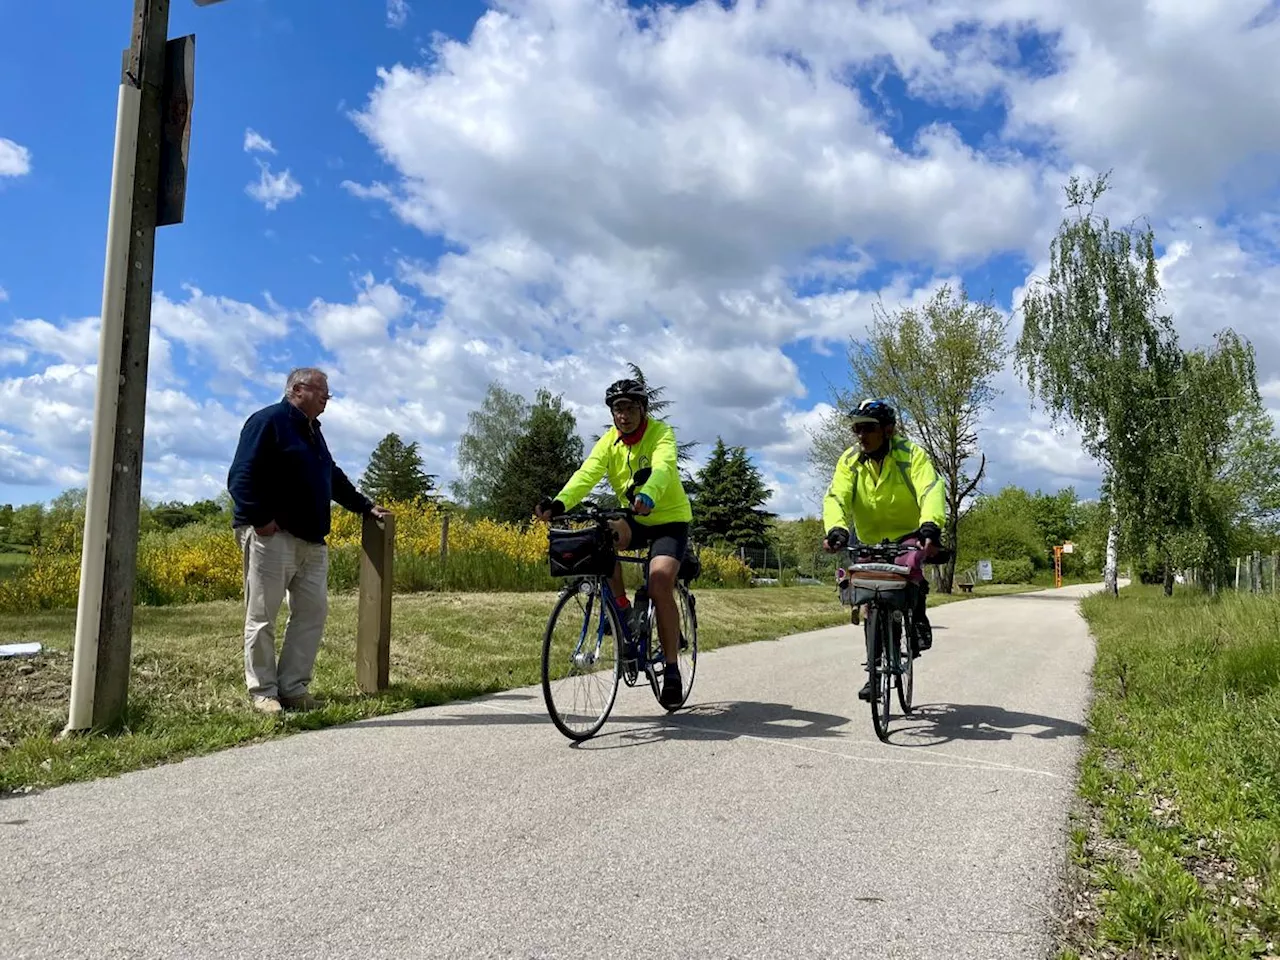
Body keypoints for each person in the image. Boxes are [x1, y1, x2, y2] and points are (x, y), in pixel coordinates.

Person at [227, 367, 390, 714]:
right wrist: (261, 520)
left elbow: (330, 475)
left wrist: (363, 505)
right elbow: (240, 476)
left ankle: (293, 687)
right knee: (262, 615)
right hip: (272, 537)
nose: (326, 398)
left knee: (312, 613)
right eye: (322, 392)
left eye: (327, 394)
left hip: (312, 541)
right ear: (297, 389)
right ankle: (264, 692)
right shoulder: (267, 421)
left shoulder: (313, 431)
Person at [534, 377, 693, 708]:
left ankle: (673, 671)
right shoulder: (610, 441)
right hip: (634, 516)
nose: (623, 415)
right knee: (601, 537)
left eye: (630, 408)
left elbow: (663, 469)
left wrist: (649, 493)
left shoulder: (661, 433)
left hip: (669, 519)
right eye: (617, 409)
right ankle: (619, 610)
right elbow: (587, 474)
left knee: (660, 580)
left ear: (643, 409)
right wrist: (559, 503)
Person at [821, 398, 945, 701]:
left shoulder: (910, 454)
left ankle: (916, 614)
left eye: (868, 428)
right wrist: (837, 528)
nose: (861, 435)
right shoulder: (850, 460)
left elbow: (930, 488)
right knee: (868, 598)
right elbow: (837, 495)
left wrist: (930, 525)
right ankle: (874, 674)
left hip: (907, 534)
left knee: (910, 573)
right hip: (867, 538)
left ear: (888, 430)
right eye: (857, 429)